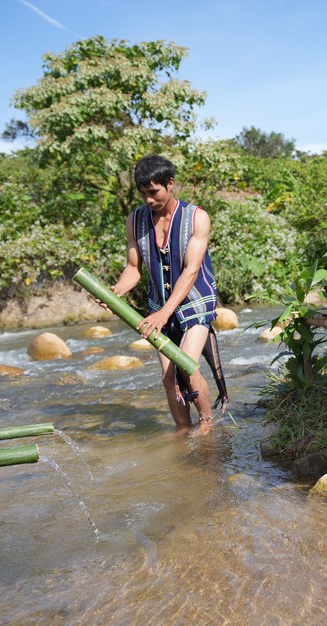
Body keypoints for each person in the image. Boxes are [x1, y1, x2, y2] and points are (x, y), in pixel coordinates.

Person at [102, 155, 221, 433]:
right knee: (169, 379)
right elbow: (133, 268)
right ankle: (182, 431)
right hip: (160, 306)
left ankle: (207, 428)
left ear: (170, 184)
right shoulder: (134, 221)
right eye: (143, 194)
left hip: (195, 302)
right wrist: (116, 292)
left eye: (153, 192)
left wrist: (164, 313)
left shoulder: (197, 218)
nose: (148, 200)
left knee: (186, 367)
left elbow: (191, 271)